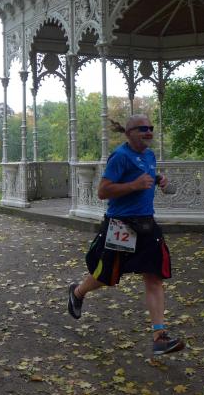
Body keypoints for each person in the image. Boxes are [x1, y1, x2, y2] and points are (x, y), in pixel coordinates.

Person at [67, 114, 185, 356]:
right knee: (106, 276)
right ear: (129, 133)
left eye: (151, 128)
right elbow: (103, 191)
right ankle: (77, 292)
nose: (148, 131)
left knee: (154, 277)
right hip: (121, 225)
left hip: (147, 224)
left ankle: (159, 337)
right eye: (143, 128)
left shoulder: (149, 155)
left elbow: (144, 177)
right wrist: (134, 185)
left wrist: (159, 180)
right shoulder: (120, 157)